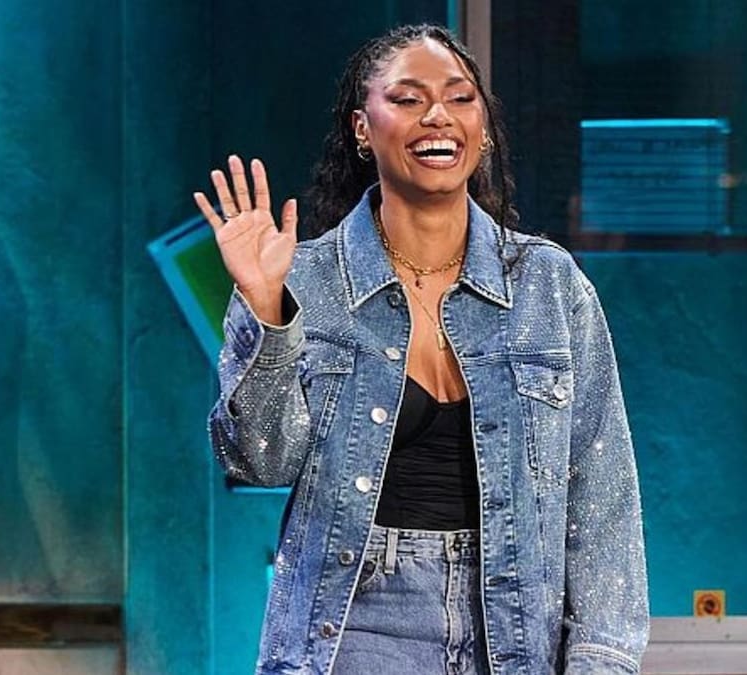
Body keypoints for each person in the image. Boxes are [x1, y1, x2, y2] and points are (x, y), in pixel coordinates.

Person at [194, 24, 647, 675]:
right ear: (362, 127)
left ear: (482, 129)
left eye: (459, 98)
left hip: (516, 629)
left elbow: (603, 500)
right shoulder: (304, 281)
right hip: (356, 630)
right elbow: (260, 461)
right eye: (407, 99)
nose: (437, 115)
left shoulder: (549, 286)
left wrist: (600, 660)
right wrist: (268, 309)